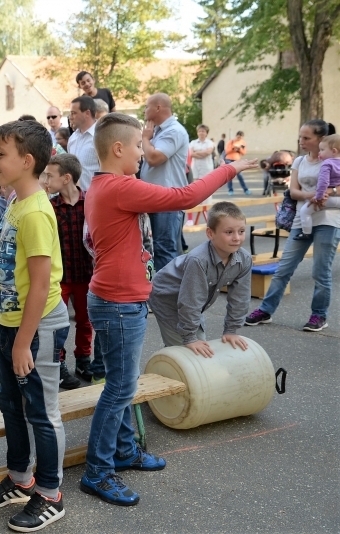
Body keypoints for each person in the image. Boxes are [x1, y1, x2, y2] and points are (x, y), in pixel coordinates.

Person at [80, 112, 256, 506]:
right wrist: (229, 168)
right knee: (120, 388)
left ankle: (123, 452)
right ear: (119, 148)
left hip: (117, 299)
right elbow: (186, 198)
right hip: (118, 302)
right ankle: (98, 471)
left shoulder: (104, 185)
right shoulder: (118, 187)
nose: (144, 153)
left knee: (120, 383)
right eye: (139, 146)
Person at [0, 120, 68, 532]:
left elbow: (43, 283)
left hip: (39, 327)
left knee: (42, 413)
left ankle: (50, 493)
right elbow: (11, 273)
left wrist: (22, 342)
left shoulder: (35, 213)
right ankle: (19, 478)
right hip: (14, 322)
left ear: (27, 161)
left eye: (0, 154)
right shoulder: (16, 202)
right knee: (10, 403)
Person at [246, 120, 340, 332]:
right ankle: (265, 310)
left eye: (306, 138)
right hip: (302, 219)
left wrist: (329, 193)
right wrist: (312, 195)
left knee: (320, 272)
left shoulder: (335, 160)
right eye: (300, 137)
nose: (301, 141)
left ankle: (319, 316)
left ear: (320, 139)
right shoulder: (299, 161)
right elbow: (293, 191)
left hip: (328, 220)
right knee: (283, 269)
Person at [149, 202, 252, 354]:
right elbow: (191, 300)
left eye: (241, 231)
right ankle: (169, 367)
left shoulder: (244, 259)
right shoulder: (198, 260)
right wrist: (189, 337)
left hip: (191, 299)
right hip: (166, 298)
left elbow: (240, 298)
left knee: (201, 344)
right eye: (229, 232)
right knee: (184, 351)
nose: (237, 238)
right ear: (210, 233)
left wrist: (231, 330)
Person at [45, 153, 91, 389]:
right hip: (60, 278)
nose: (46, 179)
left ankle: (83, 359)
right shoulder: (50, 206)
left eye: (50, 175)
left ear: (66, 178)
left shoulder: (90, 203)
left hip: (85, 274)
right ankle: (58, 363)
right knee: (58, 323)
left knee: (85, 321)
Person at [140, 93, 190, 273]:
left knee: (165, 249)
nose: (145, 110)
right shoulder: (158, 132)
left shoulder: (174, 131)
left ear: (158, 108)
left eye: (147, 106)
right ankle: (160, 294)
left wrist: (145, 139)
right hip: (154, 199)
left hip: (168, 200)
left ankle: (167, 296)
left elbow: (154, 158)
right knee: (155, 249)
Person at [297, 133, 340, 239]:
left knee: (305, 211)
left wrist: (318, 196)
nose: (319, 152)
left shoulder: (327, 163)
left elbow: (323, 182)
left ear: (334, 151)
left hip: (328, 199)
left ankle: (306, 233)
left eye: (322, 150)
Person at [66, 95, 99, 191]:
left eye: (73, 113)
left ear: (87, 113)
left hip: (96, 198)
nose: (70, 117)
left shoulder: (101, 137)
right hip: (76, 200)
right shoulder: (72, 139)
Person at [224, 131, 250, 195]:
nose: (239, 138)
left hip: (237, 160)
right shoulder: (231, 141)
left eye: (240, 137)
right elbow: (227, 151)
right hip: (229, 159)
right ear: (236, 136)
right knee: (230, 176)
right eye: (238, 137)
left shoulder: (243, 143)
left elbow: (244, 153)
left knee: (240, 175)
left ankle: (245, 189)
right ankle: (230, 190)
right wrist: (233, 148)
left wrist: (239, 149)